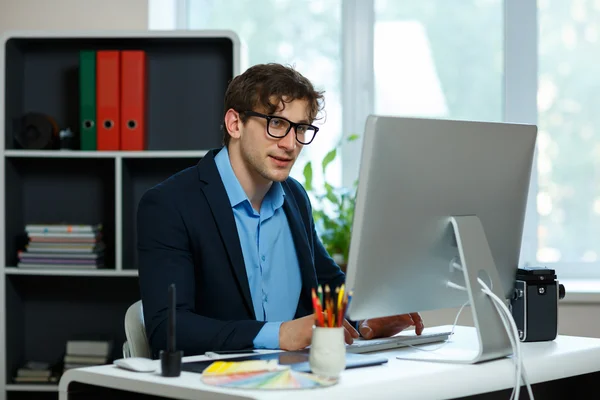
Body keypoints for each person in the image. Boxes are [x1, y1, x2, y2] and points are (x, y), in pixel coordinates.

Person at [137, 63, 424, 358]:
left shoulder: (294, 196)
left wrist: (366, 316)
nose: (290, 144)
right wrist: (280, 334)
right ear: (235, 124)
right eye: (276, 123)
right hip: (217, 382)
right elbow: (167, 327)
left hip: (296, 375)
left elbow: (327, 284)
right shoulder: (169, 204)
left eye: (300, 128)